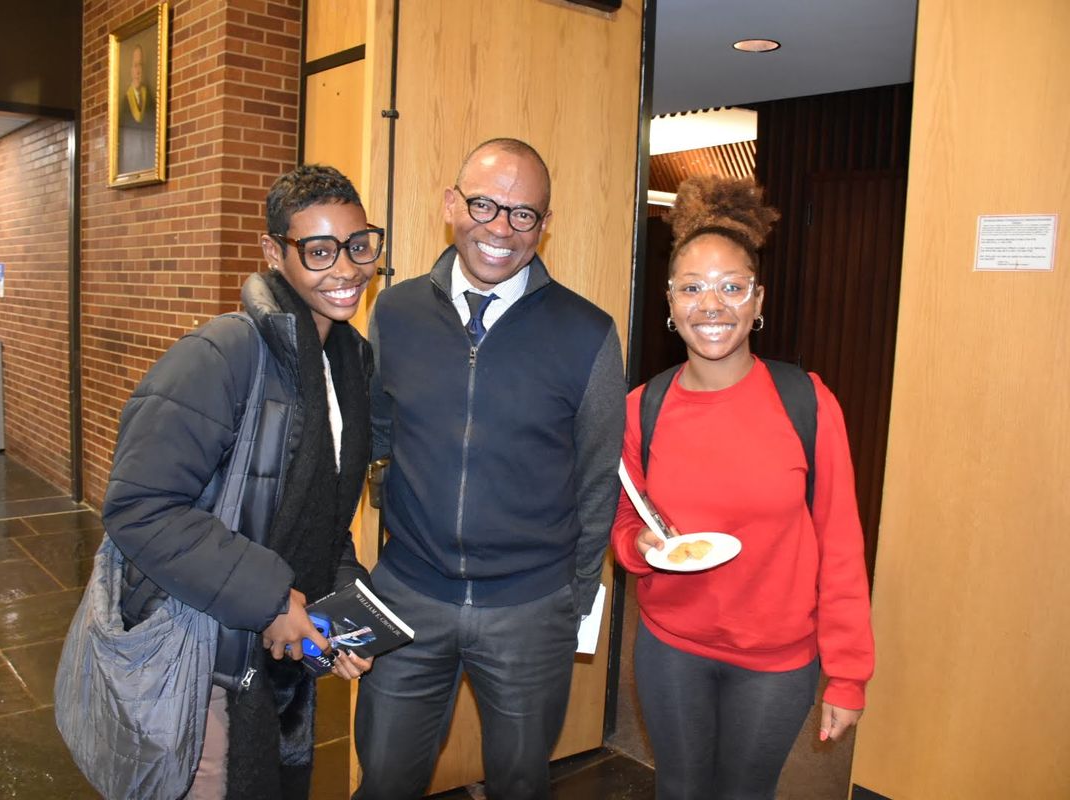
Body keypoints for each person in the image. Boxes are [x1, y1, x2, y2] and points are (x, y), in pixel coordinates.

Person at [353, 138, 627, 800]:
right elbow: (374, 439)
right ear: (452, 204)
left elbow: (597, 479)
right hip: (409, 593)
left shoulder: (587, 332)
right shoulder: (395, 312)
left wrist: (575, 593)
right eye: (484, 204)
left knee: (521, 784)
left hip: (530, 609)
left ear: (544, 224)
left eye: (523, 213)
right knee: (384, 779)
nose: (501, 228)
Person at [102, 164, 383, 799]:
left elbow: (324, 511)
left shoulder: (349, 360)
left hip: (270, 650)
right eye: (318, 251)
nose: (346, 269)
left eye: (359, 246)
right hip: (204, 650)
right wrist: (272, 599)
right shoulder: (222, 355)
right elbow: (139, 506)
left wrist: (340, 603)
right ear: (273, 254)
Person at [610, 175, 875, 800]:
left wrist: (848, 675)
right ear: (669, 303)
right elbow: (623, 518)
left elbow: (841, 545)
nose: (712, 305)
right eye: (692, 288)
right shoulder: (640, 409)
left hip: (778, 657)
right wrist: (639, 547)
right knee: (679, 789)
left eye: (732, 288)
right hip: (672, 645)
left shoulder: (807, 401)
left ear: (759, 300)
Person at [118, 42, 155, 174]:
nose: (138, 71)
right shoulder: (124, 103)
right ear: (130, 70)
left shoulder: (150, 98)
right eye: (135, 65)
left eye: (140, 65)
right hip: (132, 162)